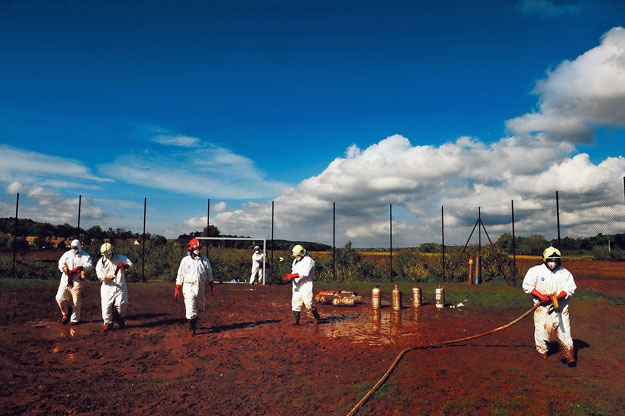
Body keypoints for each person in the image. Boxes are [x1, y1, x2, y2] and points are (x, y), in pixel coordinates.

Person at [522, 246, 577, 366]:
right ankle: (542, 351)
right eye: (550, 260)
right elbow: (527, 286)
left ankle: (568, 354)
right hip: (542, 308)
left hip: (561, 309)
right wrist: (540, 296)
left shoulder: (564, 273)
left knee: (565, 332)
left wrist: (558, 297)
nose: (553, 263)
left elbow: (570, 288)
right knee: (542, 331)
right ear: (544, 259)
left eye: (556, 260)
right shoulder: (535, 271)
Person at [175, 238, 215, 336]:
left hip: (201, 286)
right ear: (191, 249)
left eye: (198, 248)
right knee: (190, 307)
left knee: (200, 307)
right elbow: (180, 274)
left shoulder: (204, 259)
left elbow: (209, 272)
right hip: (188, 286)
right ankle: (193, 328)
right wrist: (177, 287)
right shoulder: (185, 260)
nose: (198, 250)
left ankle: (194, 317)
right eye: (195, 248)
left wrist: (211, 284)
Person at [95, 242, 133, 332]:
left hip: (120, 285)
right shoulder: (100, 262)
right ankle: (108, 323)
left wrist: (126, 266)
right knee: (106, 306)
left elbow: (130, 265)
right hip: (107, 286)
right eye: (105, 254)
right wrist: (107, 277)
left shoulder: (121, 258)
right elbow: (99, 275)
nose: (107, 256)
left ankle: (118, 317)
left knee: (122, 303)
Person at [55, 239, 93, 325]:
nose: (73, 249)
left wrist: (81, 267)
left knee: (76, 300)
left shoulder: (85, 256)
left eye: (75, 248)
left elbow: (89, 265)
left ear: (79, 247)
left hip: (77, 280)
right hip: (66, 279)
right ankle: (65, 314)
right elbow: (60, 263)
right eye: (72, 247)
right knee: (59, 297)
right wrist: (63, 268)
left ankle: (74, 320)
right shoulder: (67, 254)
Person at [283, 244, 321, 325]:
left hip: (306, 285)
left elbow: (305, 273)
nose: (296, 257)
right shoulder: (295, 261)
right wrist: (289, 277)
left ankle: (316, 316)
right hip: (297, 284)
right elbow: (294, 271)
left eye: (297, 255)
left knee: (309, 303)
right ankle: (296, 321)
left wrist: (292, 276)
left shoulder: (308, 260)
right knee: (296, 302)